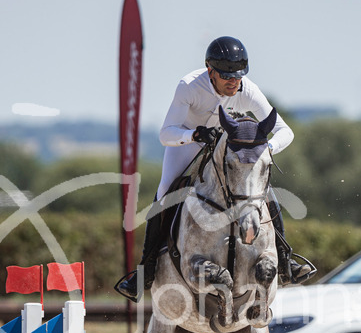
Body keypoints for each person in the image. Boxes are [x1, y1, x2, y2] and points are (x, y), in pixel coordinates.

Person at [114, 36, 315, 303]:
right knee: (164, 193)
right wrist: (195, 134)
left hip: (228, 152)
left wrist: (265, 150)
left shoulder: (248, 90)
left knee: (263, 194)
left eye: (238, 76)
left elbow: (284, 131)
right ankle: (145, 271)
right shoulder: (189, 87)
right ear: (210, 71)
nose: (234, 82)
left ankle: (287, 261)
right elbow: (166, 134)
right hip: (188, 144)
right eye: (226, 77)